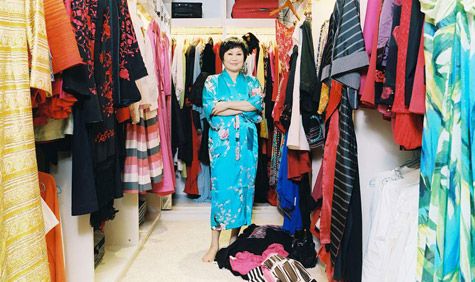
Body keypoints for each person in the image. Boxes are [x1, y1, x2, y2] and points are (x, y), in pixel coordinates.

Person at [201, 37, 263, 262]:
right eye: (230, 54)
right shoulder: (212, 82)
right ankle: (214, 244)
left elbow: (256, 107)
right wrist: (238, 107)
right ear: (223, 58)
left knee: (242, 187)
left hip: (246, 143)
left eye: (238, 54)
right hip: (221, 143)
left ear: (245, 57)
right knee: (222, 188)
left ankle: (233, 241)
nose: (234, 58)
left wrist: (225, 104)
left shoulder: (253, 82)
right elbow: (211, 109)